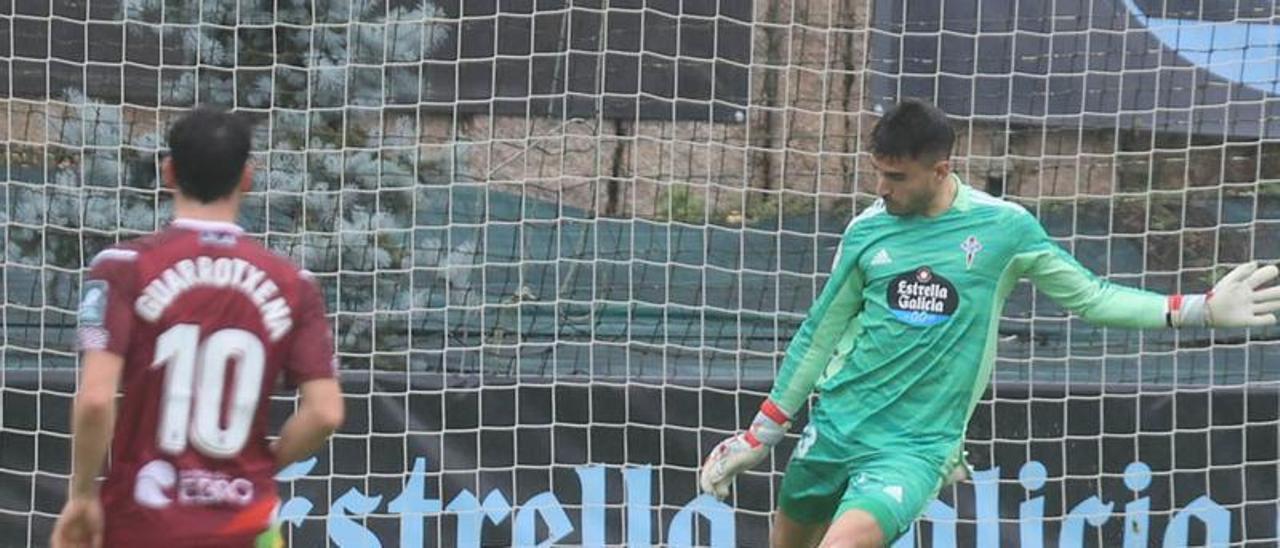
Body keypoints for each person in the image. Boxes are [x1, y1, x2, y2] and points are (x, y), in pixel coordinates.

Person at [698, 98, 1280, 547]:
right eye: (877, 174)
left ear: (940, 169)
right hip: (835, 428)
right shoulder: (866, 232)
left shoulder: (1005, 230)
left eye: (896, 178)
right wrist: (760, 434)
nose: (881, 189)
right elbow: (819, 334)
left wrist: (1197, 308)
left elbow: (1091, 297)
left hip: (915, 446)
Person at [51, 106, 345, 548]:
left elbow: (95, 400)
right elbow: (325, 412)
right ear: (248, 177)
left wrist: (81, 495)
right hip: (245, 523)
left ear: (168, 172)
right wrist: (263, 464)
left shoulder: (124, 268)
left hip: (142, 521)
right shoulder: (294, 284)